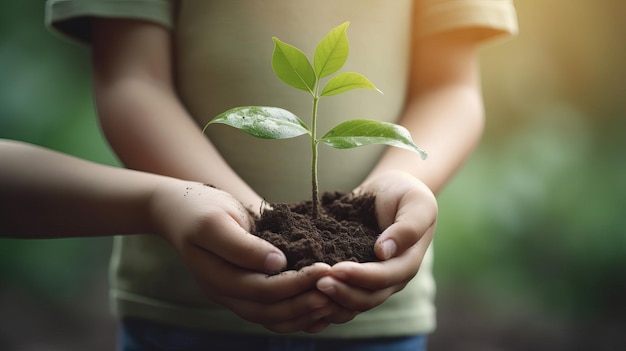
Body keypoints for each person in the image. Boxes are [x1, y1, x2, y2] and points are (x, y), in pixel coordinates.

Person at [44, 1, 518, 350]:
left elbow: (450, 87)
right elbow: (131, 79)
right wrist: (243, 216)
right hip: (186, 305)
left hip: (374, 304)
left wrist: (396, 185)